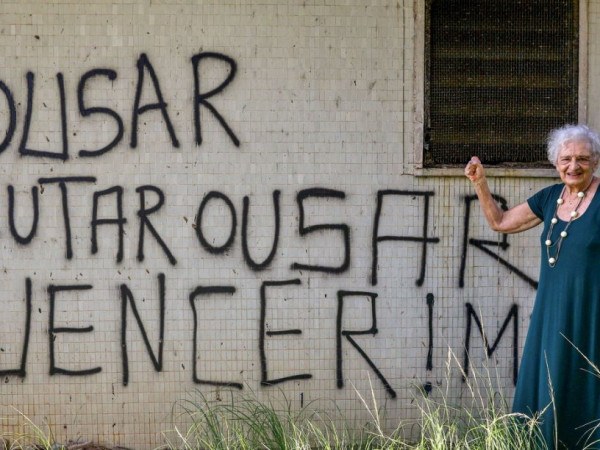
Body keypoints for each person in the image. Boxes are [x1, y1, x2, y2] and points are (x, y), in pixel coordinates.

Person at [465, 123, 600, 449]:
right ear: (555, 163)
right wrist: (480, 184)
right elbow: (500, 222)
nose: (573, 166)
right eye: (566, 159)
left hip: (591, 311)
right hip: (551, 312)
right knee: (553, 377)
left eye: (582, 158)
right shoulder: (550, 197)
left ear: (595, 161)